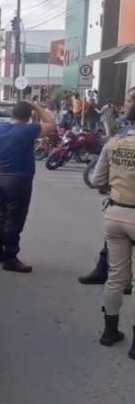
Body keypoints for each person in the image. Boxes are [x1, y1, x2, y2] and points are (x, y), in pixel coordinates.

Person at [0, 101, 56, 272]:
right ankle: (10, 257)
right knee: (15, 219)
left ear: (12, 114)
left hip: (0, 178)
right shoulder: (28, 130)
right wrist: (36, 106)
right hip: (18, 179)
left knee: (3, 215)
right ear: (29, 116)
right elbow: (51, 124)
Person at [91, 102, 135, 359]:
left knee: (116, 276)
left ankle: (110, 331)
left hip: (116, 214)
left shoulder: (114, 144)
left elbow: (98, 180)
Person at [79, 87, 135, 285]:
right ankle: (107, 272)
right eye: (128, 99)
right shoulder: (124, 127)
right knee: (113, 240)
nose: (128, 104)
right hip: (120, 200)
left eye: (130, 100)